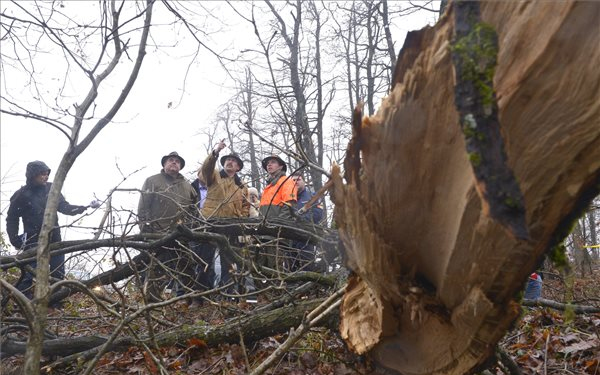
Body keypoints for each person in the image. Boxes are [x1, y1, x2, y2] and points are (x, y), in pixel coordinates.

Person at [6, 161, 96, 306]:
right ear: (33, 175)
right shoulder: (21, 195)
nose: (46, 176)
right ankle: (23, 305)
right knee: (28, 274)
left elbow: (64, 207)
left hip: (55, 239)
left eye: (47, 173)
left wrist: (82, 208)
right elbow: (12, 218)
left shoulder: (52, 190)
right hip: (32, 241)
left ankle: (56, 304)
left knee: (58, 274)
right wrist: (14, 239)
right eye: (42, 173)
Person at [137, 151, 198, 302]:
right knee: (158, 270)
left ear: (180, 166)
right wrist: (146, 229)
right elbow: (143, 207)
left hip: (181, 235)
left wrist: (191, 230)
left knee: (187, 267)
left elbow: (194, 210)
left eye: (177, 161)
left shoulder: (188, 186)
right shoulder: (152, 181)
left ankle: (188, 301)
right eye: (171, 160)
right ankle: (152, 304)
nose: (174, 163)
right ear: (164, 164)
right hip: (158, 234)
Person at [197, 140, 250, 294]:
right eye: (227, 160)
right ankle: (201, 295)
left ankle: (227, 294)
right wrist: (215, 152)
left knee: (229, 262)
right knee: (204, 260)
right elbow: (205, 169)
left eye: (233, 161)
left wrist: (242, 221)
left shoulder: (242, 186)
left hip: (231, 226)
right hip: (210, 222)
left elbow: (246, 207)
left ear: (238, 167)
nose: (230, 162)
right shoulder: (213, 176)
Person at [258, 155, 297, 270]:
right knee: (260, 267)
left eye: (273, 162)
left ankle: (277, 288)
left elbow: (289, 207)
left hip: (276, 235)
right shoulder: (269, 186)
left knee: (275, 268)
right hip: (264, 234)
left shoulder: (287, 182)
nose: (269, 165)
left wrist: (277, 228)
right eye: (268, 163)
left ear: (281, 167)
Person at [288, 172, 323, 271]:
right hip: (290, 239)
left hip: (306, 238)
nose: (295, 182)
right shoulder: (289, 199)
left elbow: (318, 213)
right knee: (290, 270)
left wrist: (302, 219)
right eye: (293, 180)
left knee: (307, 268)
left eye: (298, 180)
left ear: (304, 181)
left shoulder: (312, 196)